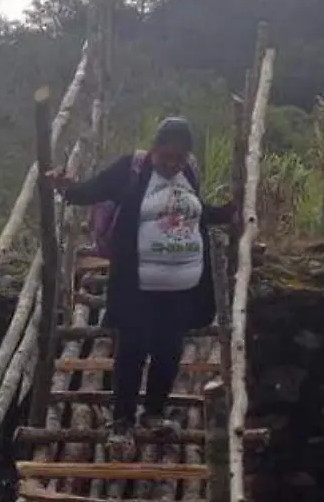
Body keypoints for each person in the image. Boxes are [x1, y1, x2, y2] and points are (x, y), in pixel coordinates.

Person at [46, 117, 236, 457]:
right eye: (167, 157)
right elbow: (93, 190)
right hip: (137, 286)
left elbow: (196, 213)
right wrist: (66, 187)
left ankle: (154, 413)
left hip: (181, 289)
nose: (172, 164)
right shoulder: (130, 170)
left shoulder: (188, 173)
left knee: (168, 351)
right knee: (133, 350)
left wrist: (226, 214)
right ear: (154, 149)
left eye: (179, 157)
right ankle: (121, 422)